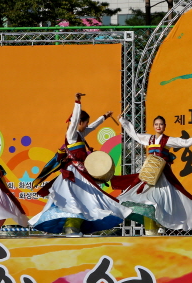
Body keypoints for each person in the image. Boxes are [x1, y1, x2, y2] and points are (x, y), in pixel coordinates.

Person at [29, 93, 132, 237]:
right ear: (80, 122)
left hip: (80, 173)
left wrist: (104, 117)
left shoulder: (80, 135)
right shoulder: (71, 134)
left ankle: (73, 228)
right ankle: (70, 229)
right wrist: (78, 102)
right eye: (85, 123)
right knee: (74, 201)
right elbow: (74, 121)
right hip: (73, 174)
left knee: (85, 200)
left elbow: (93, 127)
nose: (87, 125)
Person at [111, 115, 192, 235]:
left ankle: (162, 223)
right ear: (153, 126)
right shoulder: (148, 138)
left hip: (163, 175)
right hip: (150, 174)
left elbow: (186, 143)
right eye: (156, 124)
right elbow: (134, 134)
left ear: (165, 126)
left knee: (164, 197)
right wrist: (123, 120)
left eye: (161, 124)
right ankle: (151, 229)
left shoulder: (168, 140)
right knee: (146, 198)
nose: (158, 126)